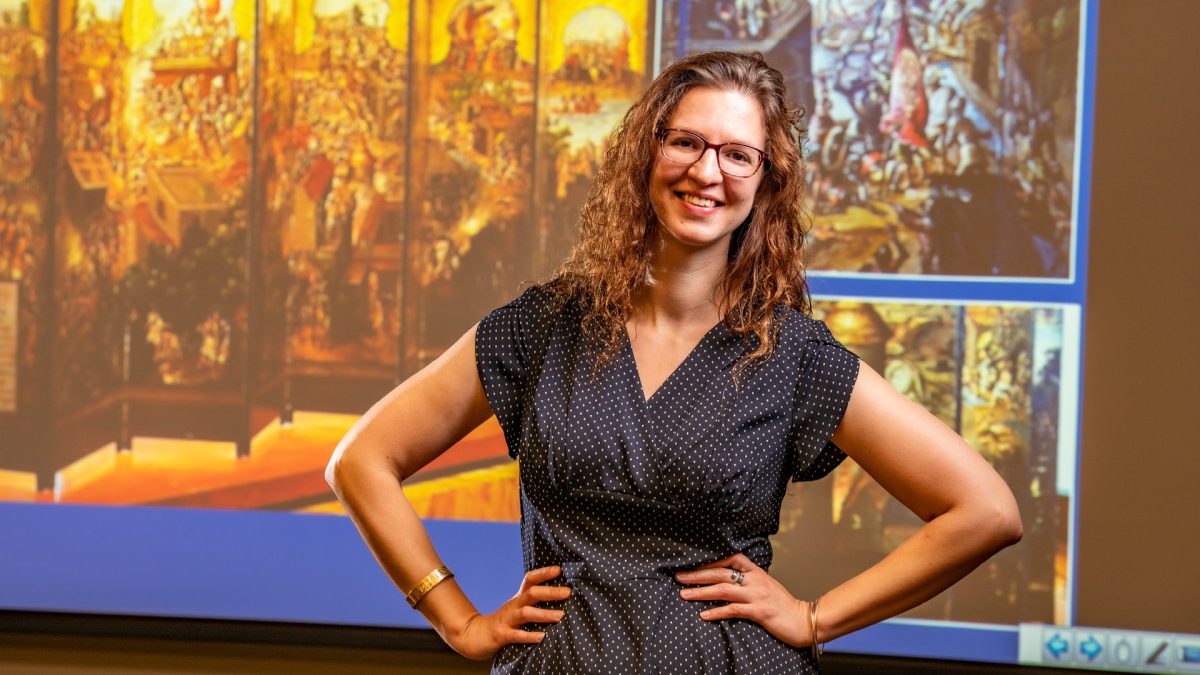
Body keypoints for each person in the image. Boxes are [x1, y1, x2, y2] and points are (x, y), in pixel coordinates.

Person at [326, 51, 1022, 674]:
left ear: (765, 182)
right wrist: (456, 619)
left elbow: (986, 511)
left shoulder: (793, 356)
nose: (706, 171)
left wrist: (815, 618)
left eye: (737, 154)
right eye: (685, 141)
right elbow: (360, 461)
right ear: (646, 153)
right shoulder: (545, 325)